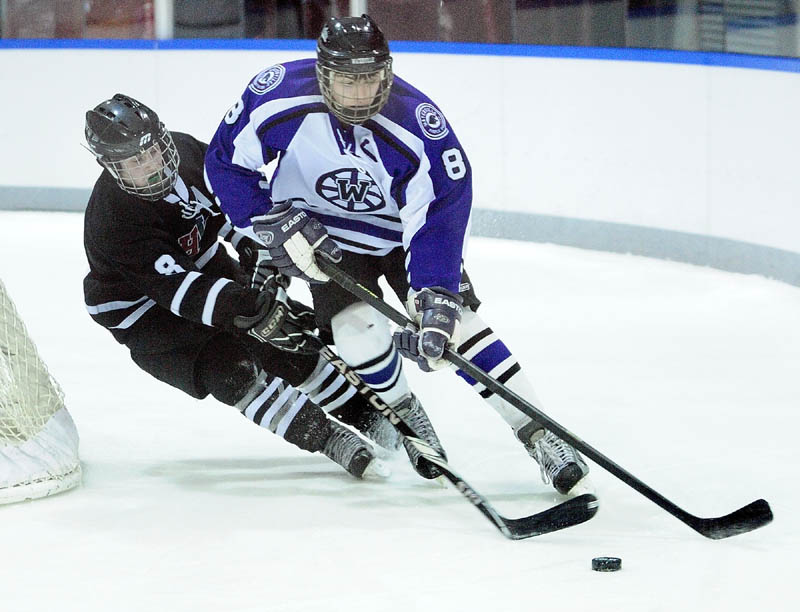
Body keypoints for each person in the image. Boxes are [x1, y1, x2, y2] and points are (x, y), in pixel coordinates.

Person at [203, 15, 589, 494]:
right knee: (353, 333)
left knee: (458, 328)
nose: (360, 95)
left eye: (369, 79)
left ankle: (538, 432)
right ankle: (408, 416)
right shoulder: (276, 95)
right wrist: (268, 222)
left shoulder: (417, 123)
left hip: (403, 236)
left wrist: (434, 294)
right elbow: (224, 163)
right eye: (347, 81)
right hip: (325, 236)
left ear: (386, 72)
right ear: (323, 75)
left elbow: (442, 210)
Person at [82, 93, 395, 481]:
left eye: (152, 150)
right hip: (144, 313)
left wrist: (254, 247)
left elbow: (225, 205)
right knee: (230, 369)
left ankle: (380, 423)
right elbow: (178, 290)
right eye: (135, 162)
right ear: (111, 166)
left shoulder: (185, 152)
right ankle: (330, 439)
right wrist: (246, 305)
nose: (151, 164)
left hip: (199, 265)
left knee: (287, 342)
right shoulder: (114, 219)